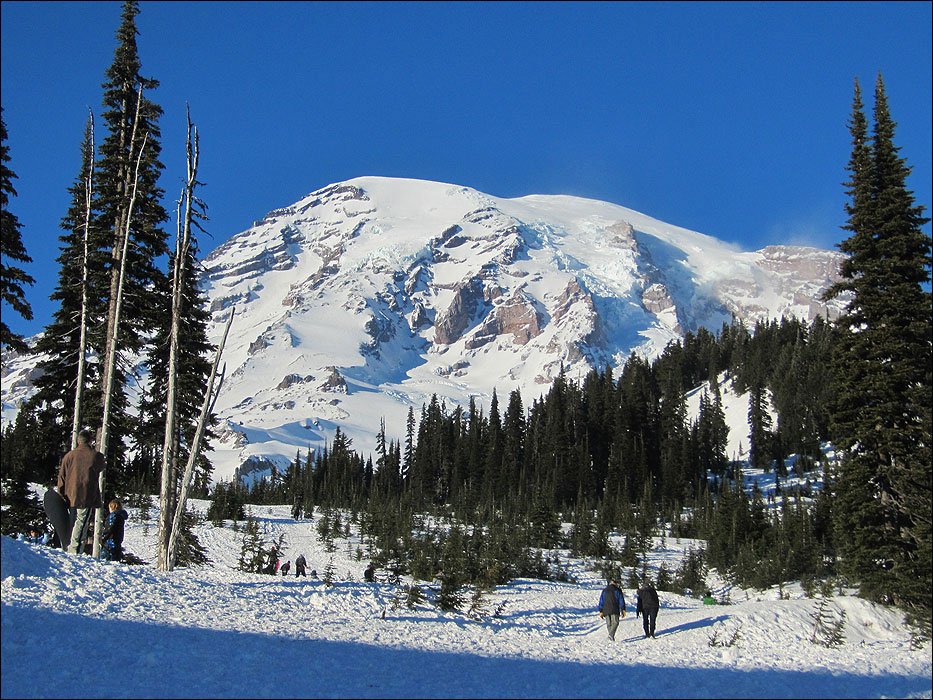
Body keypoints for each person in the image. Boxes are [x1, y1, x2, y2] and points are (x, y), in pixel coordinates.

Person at [57, 429, 104, 556]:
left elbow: (61, 477)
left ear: (78, 441)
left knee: (73, 521)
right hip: (86, 495)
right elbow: (101, 466)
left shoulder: (69, 456)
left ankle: (71, 546)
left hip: (70, 494)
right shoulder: (96, 456)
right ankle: (75, 549)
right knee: (81, 521)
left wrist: (61, 493)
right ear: (90, 441)